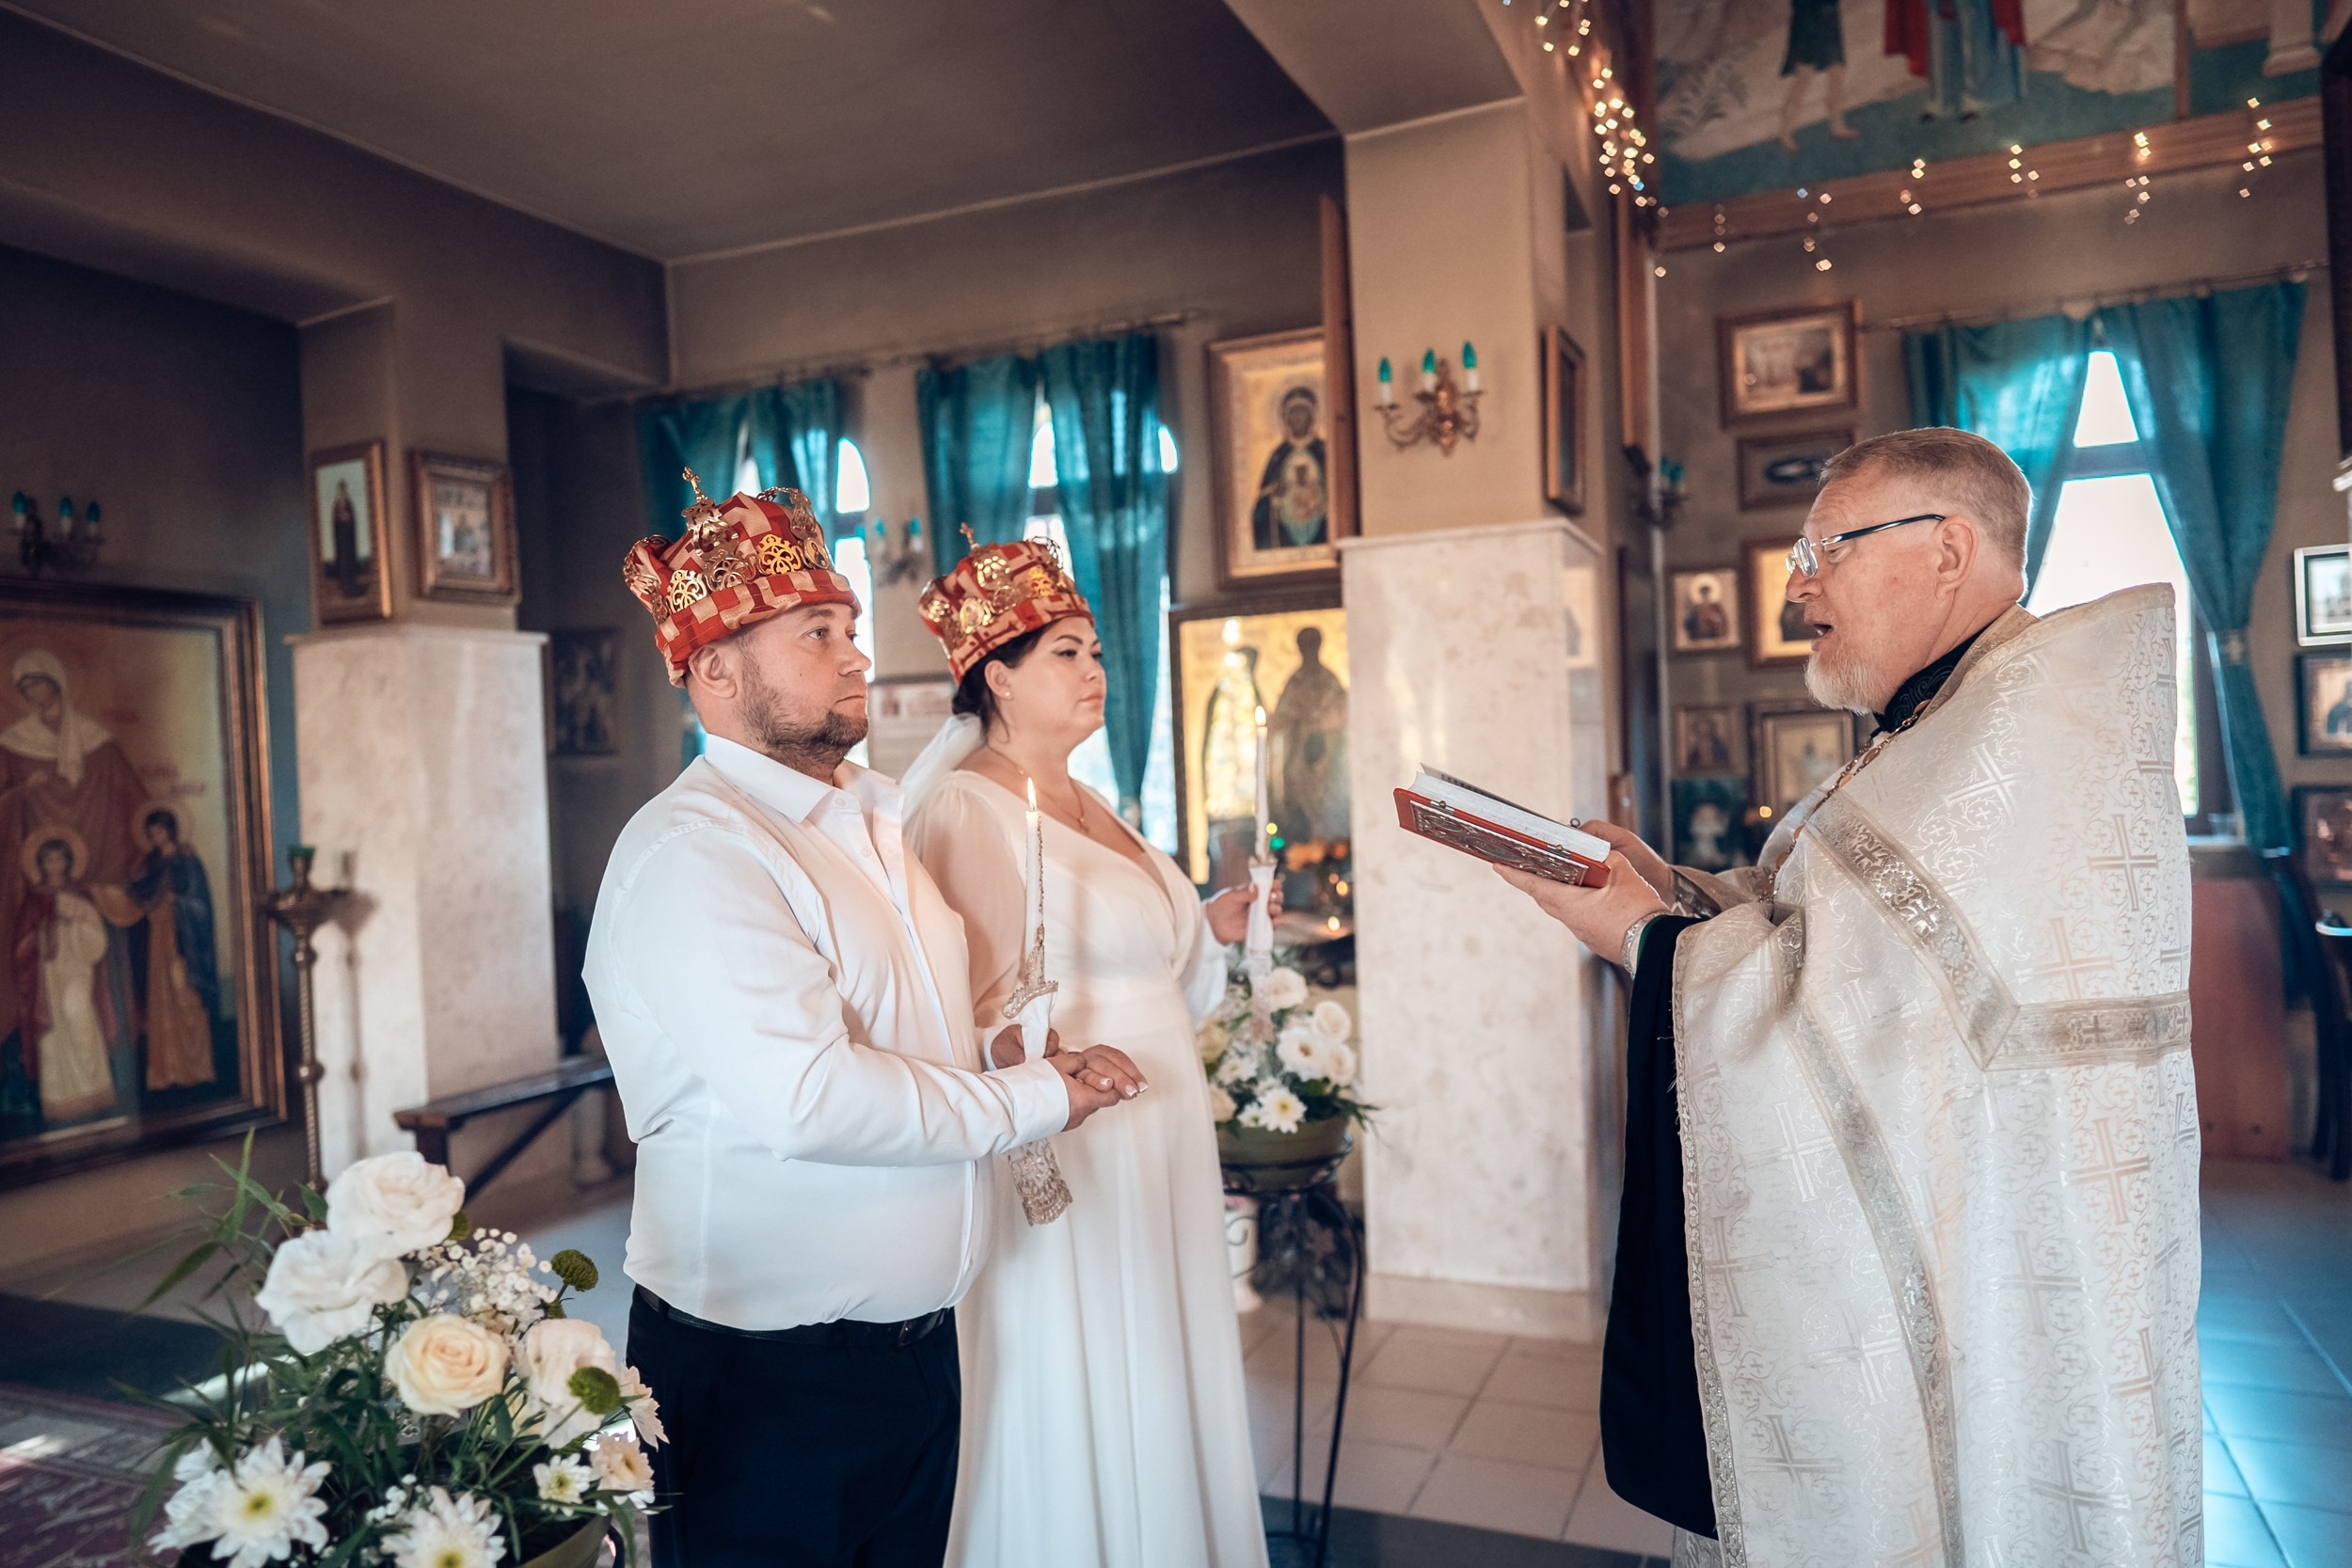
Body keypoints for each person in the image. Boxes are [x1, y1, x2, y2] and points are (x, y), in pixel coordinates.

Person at [1501, 428, 2200, 1566]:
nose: (1798, 583)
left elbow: (1859, 1020)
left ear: (1947, 549)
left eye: (1827, 547)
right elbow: (1831, 933)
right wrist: (1667, 887)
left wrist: (1641, 936)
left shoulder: (2017, 741)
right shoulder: (1948, 721)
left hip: (1996, 1271)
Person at [587, 478, 1146, 1568]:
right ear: (714, 669)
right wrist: (1033, 1096)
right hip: (763, 1369)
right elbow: (809, 1097)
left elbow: (907, 1027)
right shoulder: (697, 849)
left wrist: (995, 1049)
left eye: (849, 627)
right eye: (817, 633)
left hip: (912, 1351)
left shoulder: (872, 815)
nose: (857, 656)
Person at [903, 538, 1274, 1568]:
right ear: (997, 676)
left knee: (1163, 1342)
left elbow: (1148, 966)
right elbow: (974, 1010)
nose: (1095, 670)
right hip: (1077, 1133)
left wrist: (1212, 923)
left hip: (1162, 1126)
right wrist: (1033, 1056)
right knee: (1090, 1352)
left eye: (1097, 650)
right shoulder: (966, 806)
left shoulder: (1091, 798)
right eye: (1066, 652)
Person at [13, 834, 119, 1125]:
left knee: (79, 1015)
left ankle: (95, 1091)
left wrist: (72, 925)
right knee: (53, 1035)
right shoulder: (33, 899)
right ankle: (61, 1100)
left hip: (77, 968)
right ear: (41, 864)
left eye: (59, 858)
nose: (54, 864)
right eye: (49, 859)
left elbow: (97, 939)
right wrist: (43, 933)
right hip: (46, 976)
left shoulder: (80, 894)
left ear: (68, 862)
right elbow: (21, 946)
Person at [127, 807, 220, 1091]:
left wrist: (176, 901)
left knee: (186, 994)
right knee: (162, 994)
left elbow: (200, 903)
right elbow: (139, 892)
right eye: (151, 832)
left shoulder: (188, 859)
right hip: (158, 937)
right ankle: (167, 1070)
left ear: (170, 830)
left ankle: (196, 1066)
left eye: (160, 830)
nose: (156, 836)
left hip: (185, 940)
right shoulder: (150, 863)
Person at [1249, 387, 1328, 551]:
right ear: (1285, 418)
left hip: (1322, 529)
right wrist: (1274, 497)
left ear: (1312, 416)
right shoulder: (1278, 456)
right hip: (1286, 533)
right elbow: (1262, 505)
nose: (1298, 418)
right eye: (1293, 412)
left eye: (1302, 411)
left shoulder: (1325, 452)